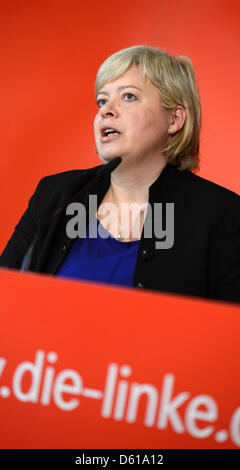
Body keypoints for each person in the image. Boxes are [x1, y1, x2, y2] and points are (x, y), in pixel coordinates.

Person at [0, 45, 240, 303]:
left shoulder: (223, 214)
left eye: (128, 97)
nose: (106, 110)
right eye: (102, 100)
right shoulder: (55, 195)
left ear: (174, 119)